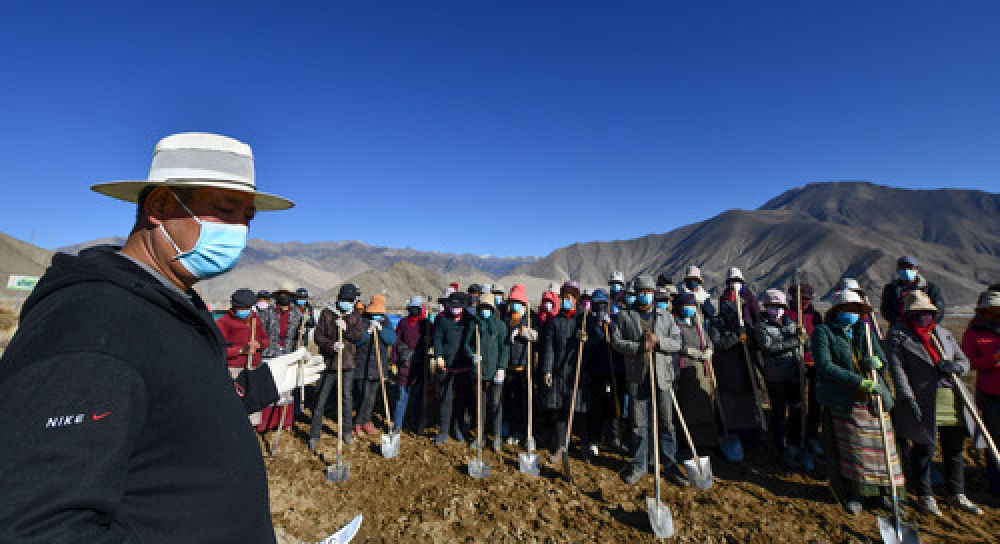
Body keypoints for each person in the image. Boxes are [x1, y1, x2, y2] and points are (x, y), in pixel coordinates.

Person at [0, 132, 323, 542]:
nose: (241, 231)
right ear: (160, 206)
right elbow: (38, 527)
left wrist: (259, 385)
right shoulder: (93, 322)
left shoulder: (170, 304)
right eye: (225, 210)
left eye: (248, 217)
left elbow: (171, 417)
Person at [885, 291, 982, 515]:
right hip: (922, 398)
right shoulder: (898, 336)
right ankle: (925, 496)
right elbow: (898, 371)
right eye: (919, 313)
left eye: (928, 313)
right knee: (924, 448)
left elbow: (963, 360)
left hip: (952, 397)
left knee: (954, 449)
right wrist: (907, 397)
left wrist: (957, 368)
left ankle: (956, 493)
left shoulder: (943, 333)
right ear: (909, 314)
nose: (924, 317)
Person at [813, 289, 903, 516]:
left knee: (883, 449)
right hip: (845, 399)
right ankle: (855, 493)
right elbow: (825, 365)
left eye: (856, 309)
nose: (852, 313)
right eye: (847, 309)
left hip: (874, 399)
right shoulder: (824, 332)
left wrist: (877, 363)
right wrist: (858, 382)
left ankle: (886, 493)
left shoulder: (865, 330)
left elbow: (881, 358)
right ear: (837, 311)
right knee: (852, 450)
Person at [612, 274, 686, 486]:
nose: (645, 295)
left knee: (666, 424)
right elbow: (616, 342)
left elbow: (677, 343)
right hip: (637, 377)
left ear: (654, 294)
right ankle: (639, 465)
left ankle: (670, 465)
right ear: (636, 294)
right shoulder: (626, 316)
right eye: (641, 292)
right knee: (638, 424)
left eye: (649, 292)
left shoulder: (666, 317)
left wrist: (658, 341)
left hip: (662, 378)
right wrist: (637, 347)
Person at [707, 267, 764, 450]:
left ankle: (752, 434)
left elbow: (757, 320)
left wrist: (750, 335)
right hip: (727, 370)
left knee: (748, 400)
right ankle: (729, 432)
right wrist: (735, 337)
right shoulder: (718, 322)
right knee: (730, 402)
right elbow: (718, 342)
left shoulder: (749, 299)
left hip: (745, 361)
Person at [309, 283, 365, 449]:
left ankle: (346, 432)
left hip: (347, 363)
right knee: (321, 398)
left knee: (347, 398)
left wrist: (346, 329)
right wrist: (331, 345)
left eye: (349, 300)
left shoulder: (355, 315)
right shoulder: (327, 314)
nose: (346, 303)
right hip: (329, 363)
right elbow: (318, 336)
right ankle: (314, 434)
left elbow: (358, 336)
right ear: (338, 299)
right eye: (343, 299)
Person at [542, 281, 590, 464]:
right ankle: (561, 448)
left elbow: (596, 344)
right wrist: (547, 369)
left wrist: (586, 340)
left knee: (580, 412)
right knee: (560, 411)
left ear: (577, 299)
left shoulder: (583, 319)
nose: (566, 301)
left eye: (570, 298)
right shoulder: (556, 321)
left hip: (578, 372)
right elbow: (549, 348)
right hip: (560, 372)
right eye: (564, 298)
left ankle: (584, 447)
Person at [755, 289, 804, 465]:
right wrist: (793, 342)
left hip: (794, 372)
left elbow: (799, 345)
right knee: (779, 412)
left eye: (779, 306)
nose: (776, 310)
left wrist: (801, 338)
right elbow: (768, 347)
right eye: (773, 306)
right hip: (775, 376)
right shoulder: (761, 325)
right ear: (767, 307)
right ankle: (780, 447)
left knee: (797, 409)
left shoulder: (790, 322)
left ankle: (796, 443)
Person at [961, 289, 1000, 495]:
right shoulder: (974, 332)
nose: (995, 315)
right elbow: (967, 362)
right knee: (994, 439)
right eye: (990, 311)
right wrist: (991, 360)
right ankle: (996, 484)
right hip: (991, 394)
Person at [672, 292, 716, 459]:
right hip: (685, 370)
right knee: (689, 410)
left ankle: (706, 443)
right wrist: (691, 351)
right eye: (686, 305)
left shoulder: (698, 325)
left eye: (692, 305)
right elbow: (677, 345)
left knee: (705, 408)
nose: (690, 308)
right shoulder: (676, 325)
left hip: (702, 371)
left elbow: (708, 341)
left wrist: (709, 350)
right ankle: (688, 444)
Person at [464, 293, 509, 451]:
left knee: (496, 404)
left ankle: (496, 437)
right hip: (478, 371)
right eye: (482, 308)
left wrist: (502, 367)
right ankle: (480, 436)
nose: (484, 311)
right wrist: (472, 355)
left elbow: (505, 348)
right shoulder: (474, 325)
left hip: (495, 371)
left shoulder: (500, 326)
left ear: (492, 308)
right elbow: (467, 345)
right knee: (479, 405)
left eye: (487, 308)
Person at [584, 288, 626, 456]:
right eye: (597, 305)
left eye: (603, 304)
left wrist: (611, 325)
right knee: (597, 406)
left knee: (616, 404)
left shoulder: (615, 320)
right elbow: (588, 345)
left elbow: (619, 340)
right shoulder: (586, 322)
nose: (600, 308)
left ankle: (616, 438)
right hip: (596, 372)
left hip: (615, 370)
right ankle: (595, 439)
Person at [786, 281, 823, 457]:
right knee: (796, 402)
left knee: (815, 402)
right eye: (801, 299)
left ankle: (812, 436)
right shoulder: (787, 315)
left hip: (813, 363)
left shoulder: (816, 316)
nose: (804, 302)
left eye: (807, 299)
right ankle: (794, 437)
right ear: (793, 297)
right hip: (794, 363)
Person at [432, 292, 473, 445]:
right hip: (446, 366)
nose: (455, 309)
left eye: (458, 307)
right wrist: (438, 355)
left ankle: (458, 429)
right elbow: (437, 338)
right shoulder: (443, 320)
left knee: (461, 400)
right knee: (446, 399)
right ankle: (443, 431)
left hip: (464, 366)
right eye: (453, 306)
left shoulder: (469, 320)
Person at [353, 294, 397, 435]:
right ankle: (357, 423)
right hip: (362, 365)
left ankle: (365, 422)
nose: (377, 315)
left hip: (378, 366)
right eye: (375, 312)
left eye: (379, 313)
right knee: (363, 396)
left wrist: (381, 330)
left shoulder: (385, 322)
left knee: (372, 397)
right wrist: (367, 332)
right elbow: (357, 341)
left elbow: (391, 340)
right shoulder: (362, 320)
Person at [502, 284, 538, 446]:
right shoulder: (507, 319)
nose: (514, 305)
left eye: (517, 301)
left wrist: (524, 332)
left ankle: (527, 433)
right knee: (512, 402)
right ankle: (514, 431)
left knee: (525, 402)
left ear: (523, 303)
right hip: (510, 367)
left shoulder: (530, 318)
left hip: (525, 368)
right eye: (512, 301)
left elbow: (538, 336)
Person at [393, 296, 432, 435]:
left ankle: (415, 425)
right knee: (402, 397)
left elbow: (433, 340)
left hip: (420, 365)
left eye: (417, 308)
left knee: (417, 398)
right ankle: (397, 425)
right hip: (405, 364)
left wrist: (429, 339)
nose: (414, 310)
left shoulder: (425, 324)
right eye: (412, 308)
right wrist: (395, 361)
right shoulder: (403, 323)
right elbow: (396, 343)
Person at [217, 288, 271, 379]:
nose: (244, 310)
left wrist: (259, 344)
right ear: (234, 307)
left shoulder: (255, 319)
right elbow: (218, 350)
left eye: (247, 308)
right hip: (234, 369)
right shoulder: (223, 322)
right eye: (241, 308)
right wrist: (241, 350)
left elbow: (266, 340)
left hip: (255, 367)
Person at [880, 255, 945, 327]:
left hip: (926, 329)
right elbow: (886, 310)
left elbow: (939, 310)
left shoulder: (930, 289)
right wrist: (898, 320)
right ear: (898, 270)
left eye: (910, 267)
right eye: (902, 267)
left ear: (916, 270)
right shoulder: (890, 289)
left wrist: (925, 323)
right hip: (899, 328)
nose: (906, 270)